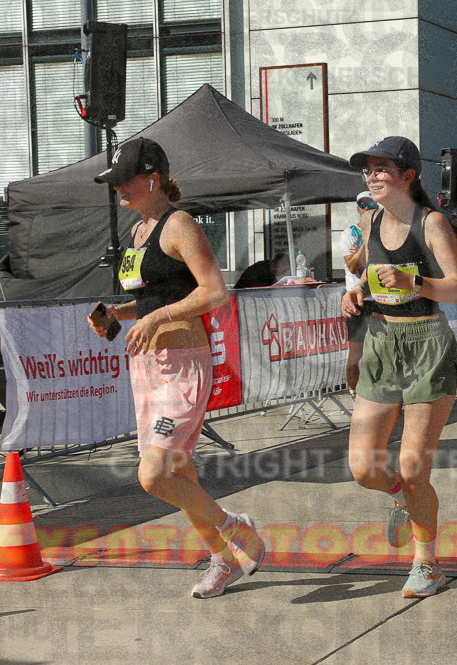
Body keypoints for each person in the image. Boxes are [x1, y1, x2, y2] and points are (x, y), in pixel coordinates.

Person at [89, 137, 264, 599]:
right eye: (114, 184)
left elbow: (214, 292)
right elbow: (154, 297)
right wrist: (118, 314)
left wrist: (155, 317)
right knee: (178, 477)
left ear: (152, 179)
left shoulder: (178, 224)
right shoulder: (138, 232)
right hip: (146, 368)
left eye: (124, 182)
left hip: (182, 365)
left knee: (154, 475)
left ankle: (235, 528)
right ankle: (222, 560)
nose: (118, 191)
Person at [341, 136, 457, 598]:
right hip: (379, 341)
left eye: (381, 169)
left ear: (408, 176)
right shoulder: (369, 219)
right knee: (363, 468)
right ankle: (404, 501)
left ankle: (427, 563)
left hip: (426, 345)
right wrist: (354, 292)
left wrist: (415, 280)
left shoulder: (431, 222)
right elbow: (364, 277)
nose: (372, 177)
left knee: (414, 467)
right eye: (368, 170)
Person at [340, 191, 377, 397]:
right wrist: (365, 245)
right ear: (357, 208)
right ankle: (354, 393)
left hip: (380, 297)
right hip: (358, 299)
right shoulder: (350, 233)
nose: (367, 207)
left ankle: (381, 395)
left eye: (371, 203)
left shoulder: (385, 231)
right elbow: (353, 266)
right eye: (362, 204)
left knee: (383, 350)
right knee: (356, 352)